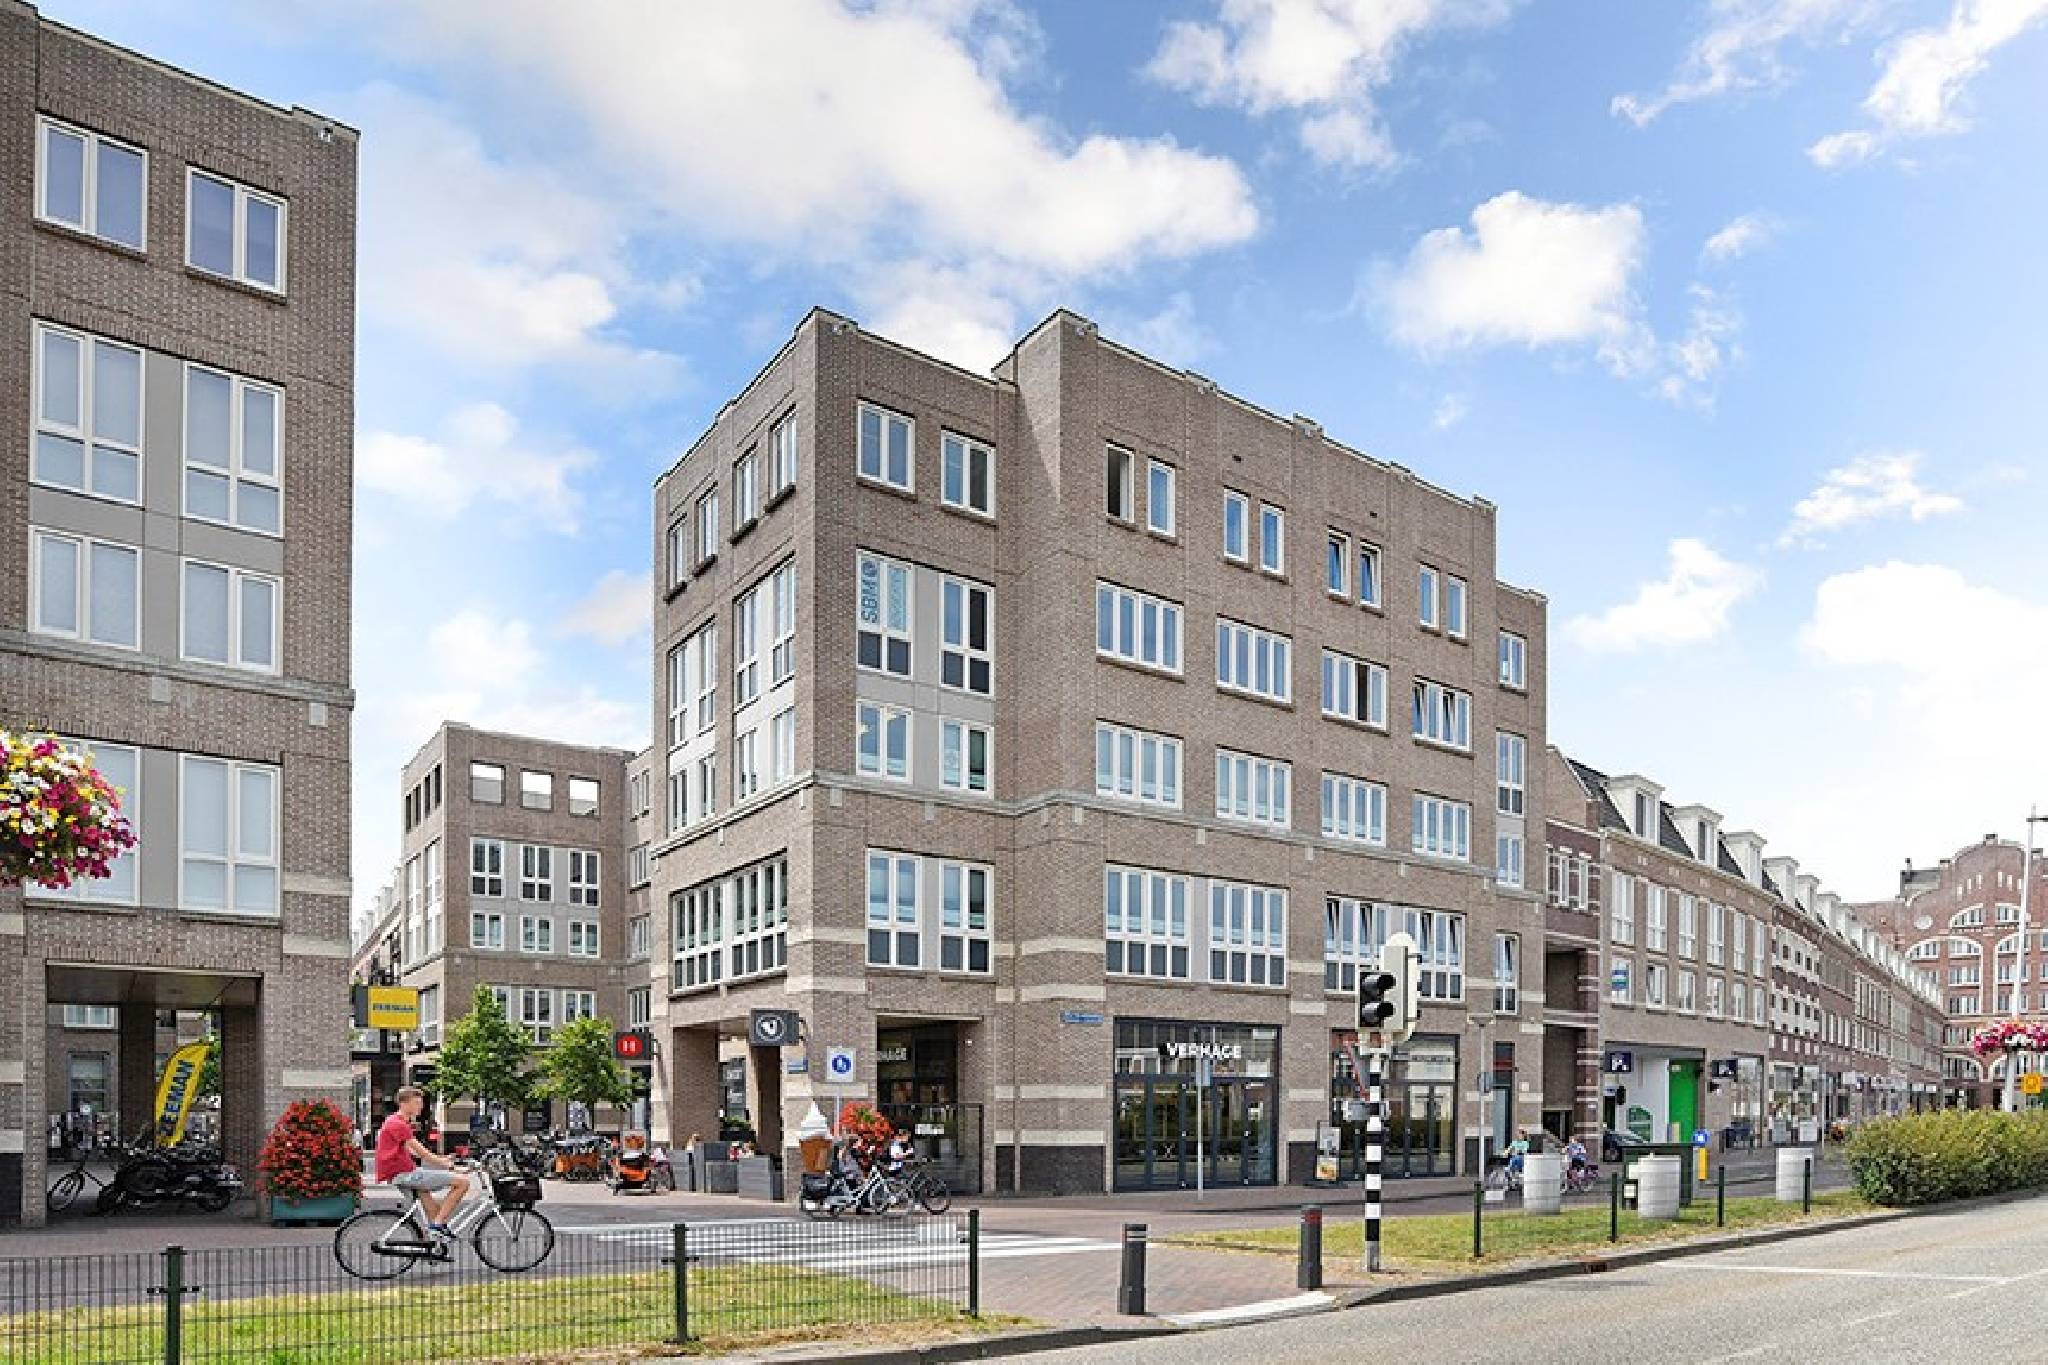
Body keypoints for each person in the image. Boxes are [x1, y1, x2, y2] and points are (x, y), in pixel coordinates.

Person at [376, 1087, 468, 1239]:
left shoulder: (395, 1121)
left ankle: (431, 1242)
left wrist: (443, 1159)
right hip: (405, 1174)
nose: (421, 1106)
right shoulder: (398, 1124)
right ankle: (437, 1225)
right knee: (462, 1182)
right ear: (404, 1104)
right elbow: (422, 1153)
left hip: (402, 1172)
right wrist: (451, 1166)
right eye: (417, 1103)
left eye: (421, 1103)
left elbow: (411, 1151)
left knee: (433, 1210)